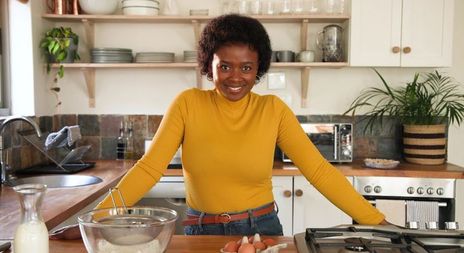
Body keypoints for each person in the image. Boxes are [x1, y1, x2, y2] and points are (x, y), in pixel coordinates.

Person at [51, 14, 388, 239]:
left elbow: (319, 170)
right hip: (200, 230)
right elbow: (149, 168)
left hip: (262, 231)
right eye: (225, 66)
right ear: (208, 66)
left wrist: (376, 220)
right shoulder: (188, 103)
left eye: (246, 67)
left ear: (259, 69)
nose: (235, 77)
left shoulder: (273, 110)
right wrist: (94, 219)